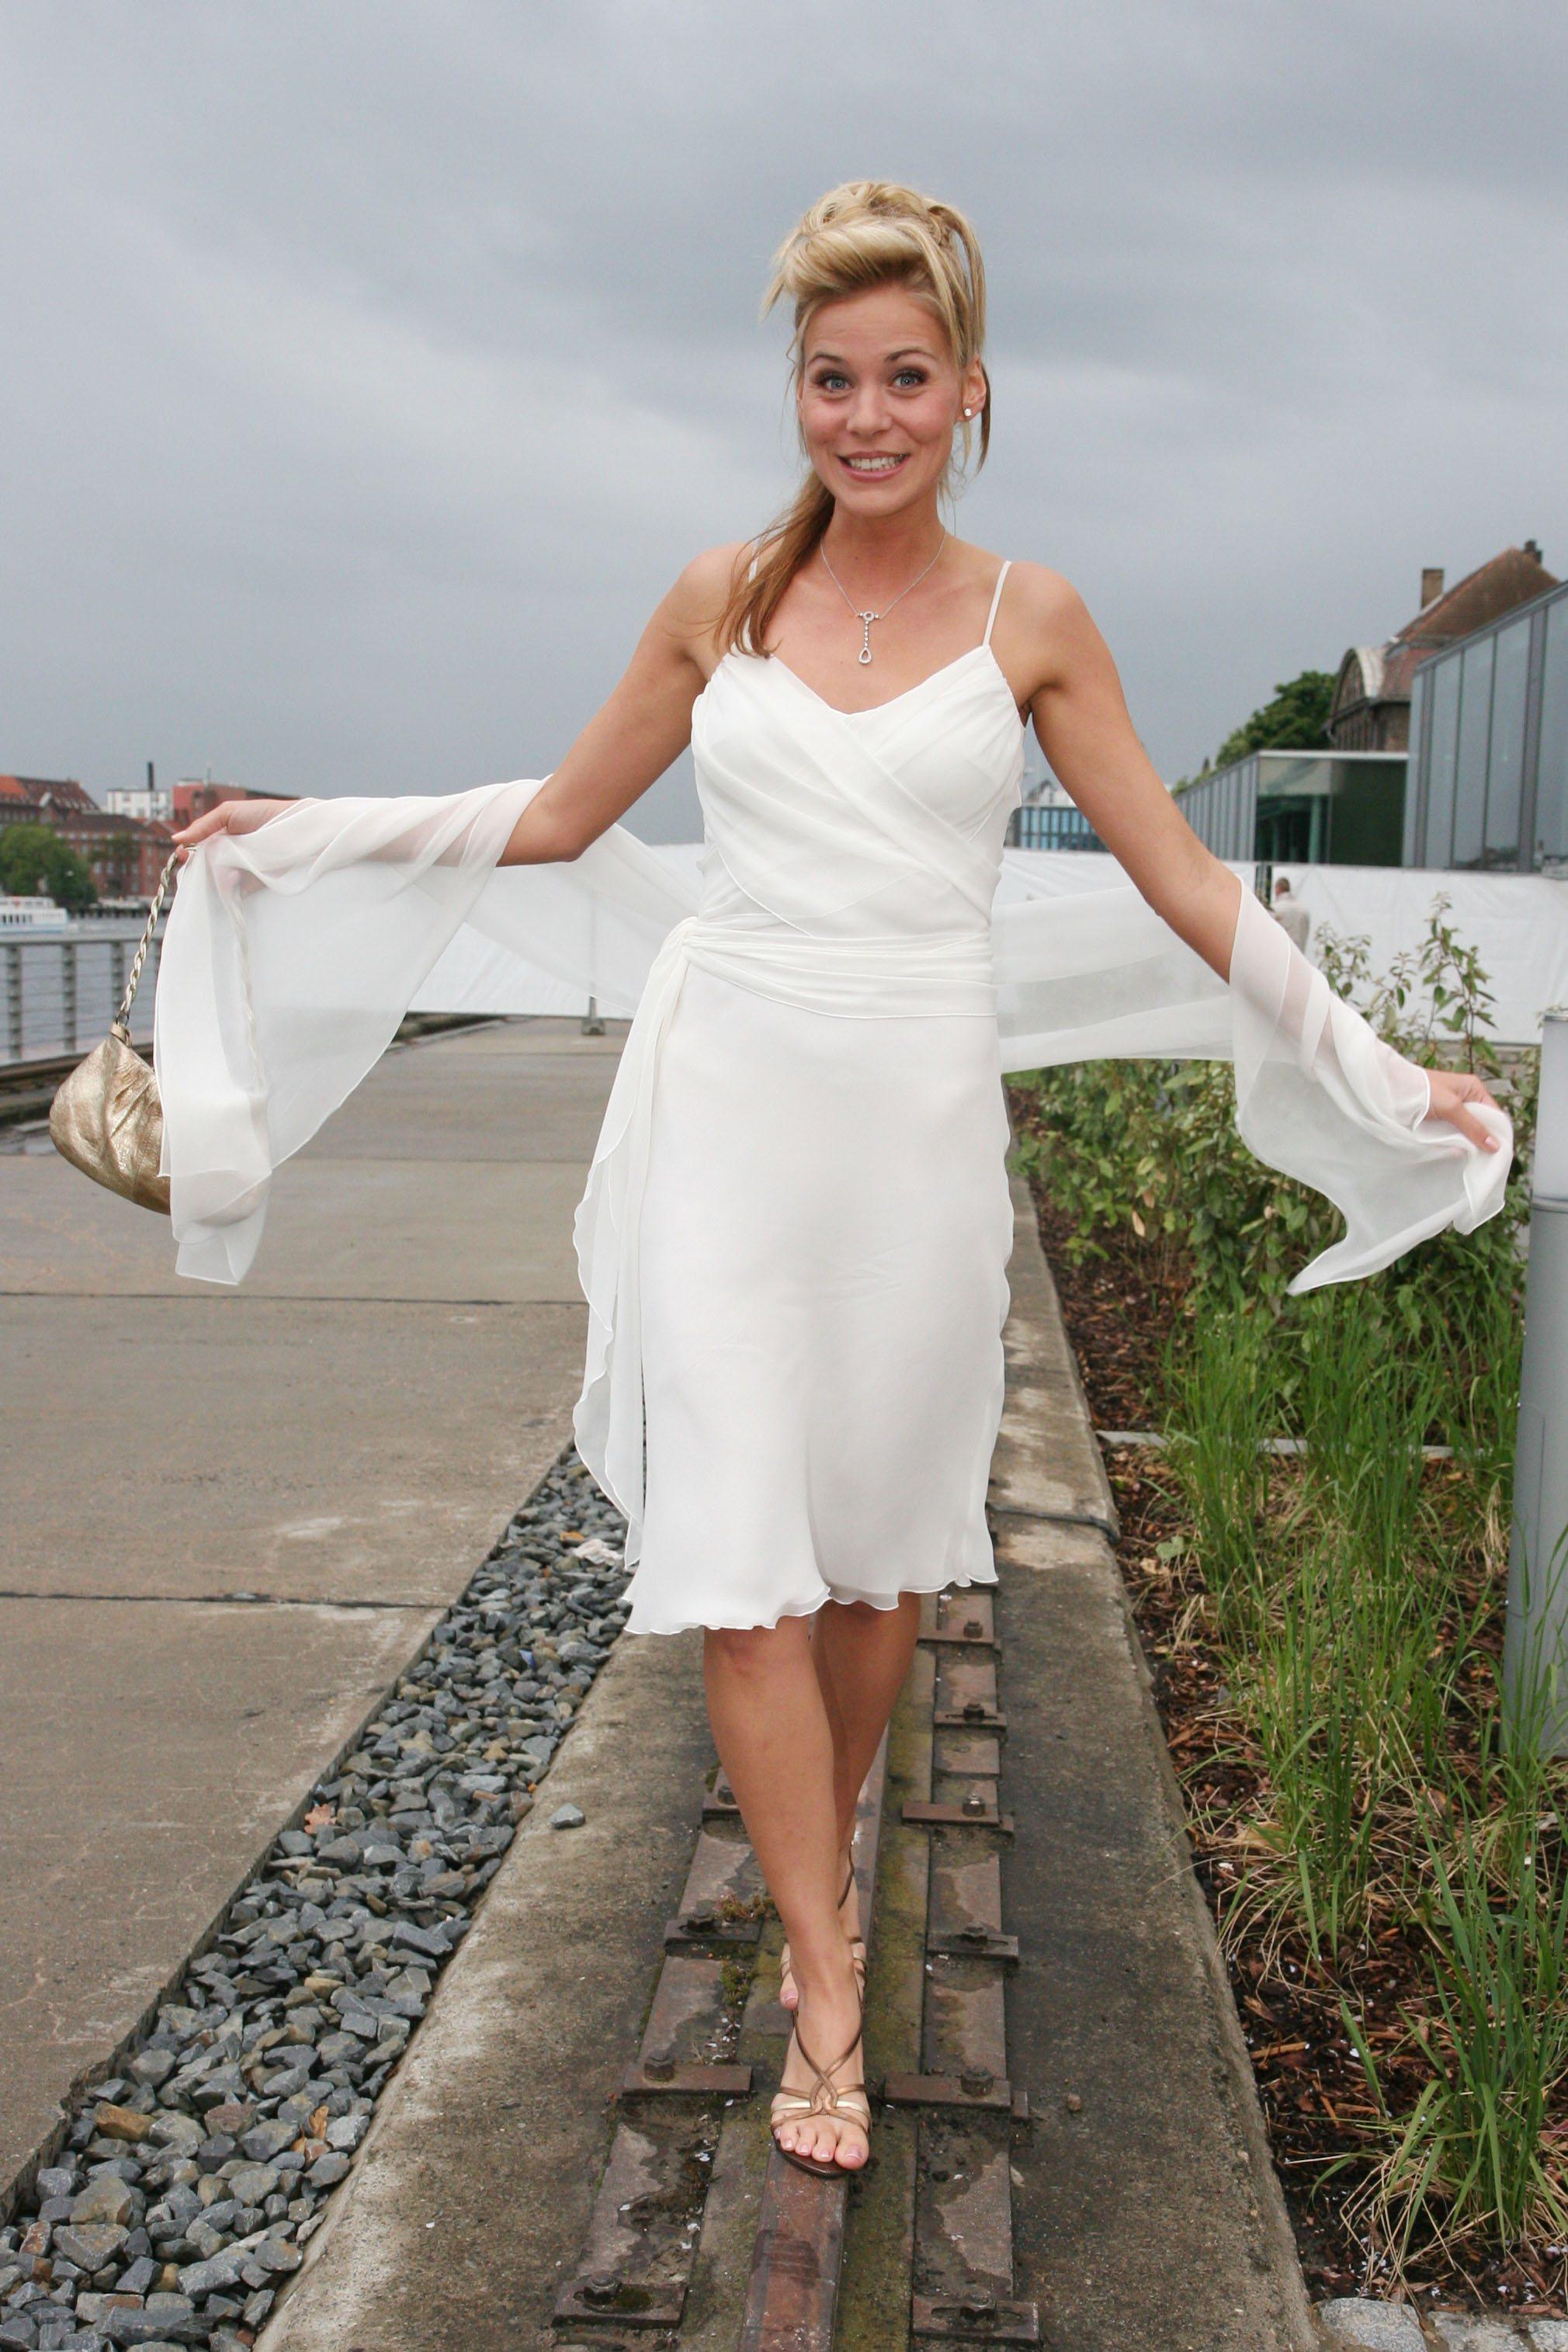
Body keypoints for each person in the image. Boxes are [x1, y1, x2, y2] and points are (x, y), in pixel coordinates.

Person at [165, 180, 1507, 2180]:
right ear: (791, 389)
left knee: (878, 1561)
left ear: (969, 392)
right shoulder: (715, 597)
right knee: (738, 1562)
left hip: (911, 1126)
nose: (863, 416)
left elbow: (1182, 879)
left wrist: (1382, 1067)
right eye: (827, 378)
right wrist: (304, 831)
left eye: (902, 377)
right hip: (727, 1107)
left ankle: (820, 1836)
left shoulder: (1031, 617)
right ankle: (822, 1975)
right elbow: (556, 814)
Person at [1272, 872, 1312, 955]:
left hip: (1281, 954)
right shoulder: (1303, 910)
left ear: (1278, 888)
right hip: (1300, 955)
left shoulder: (1274, 909)